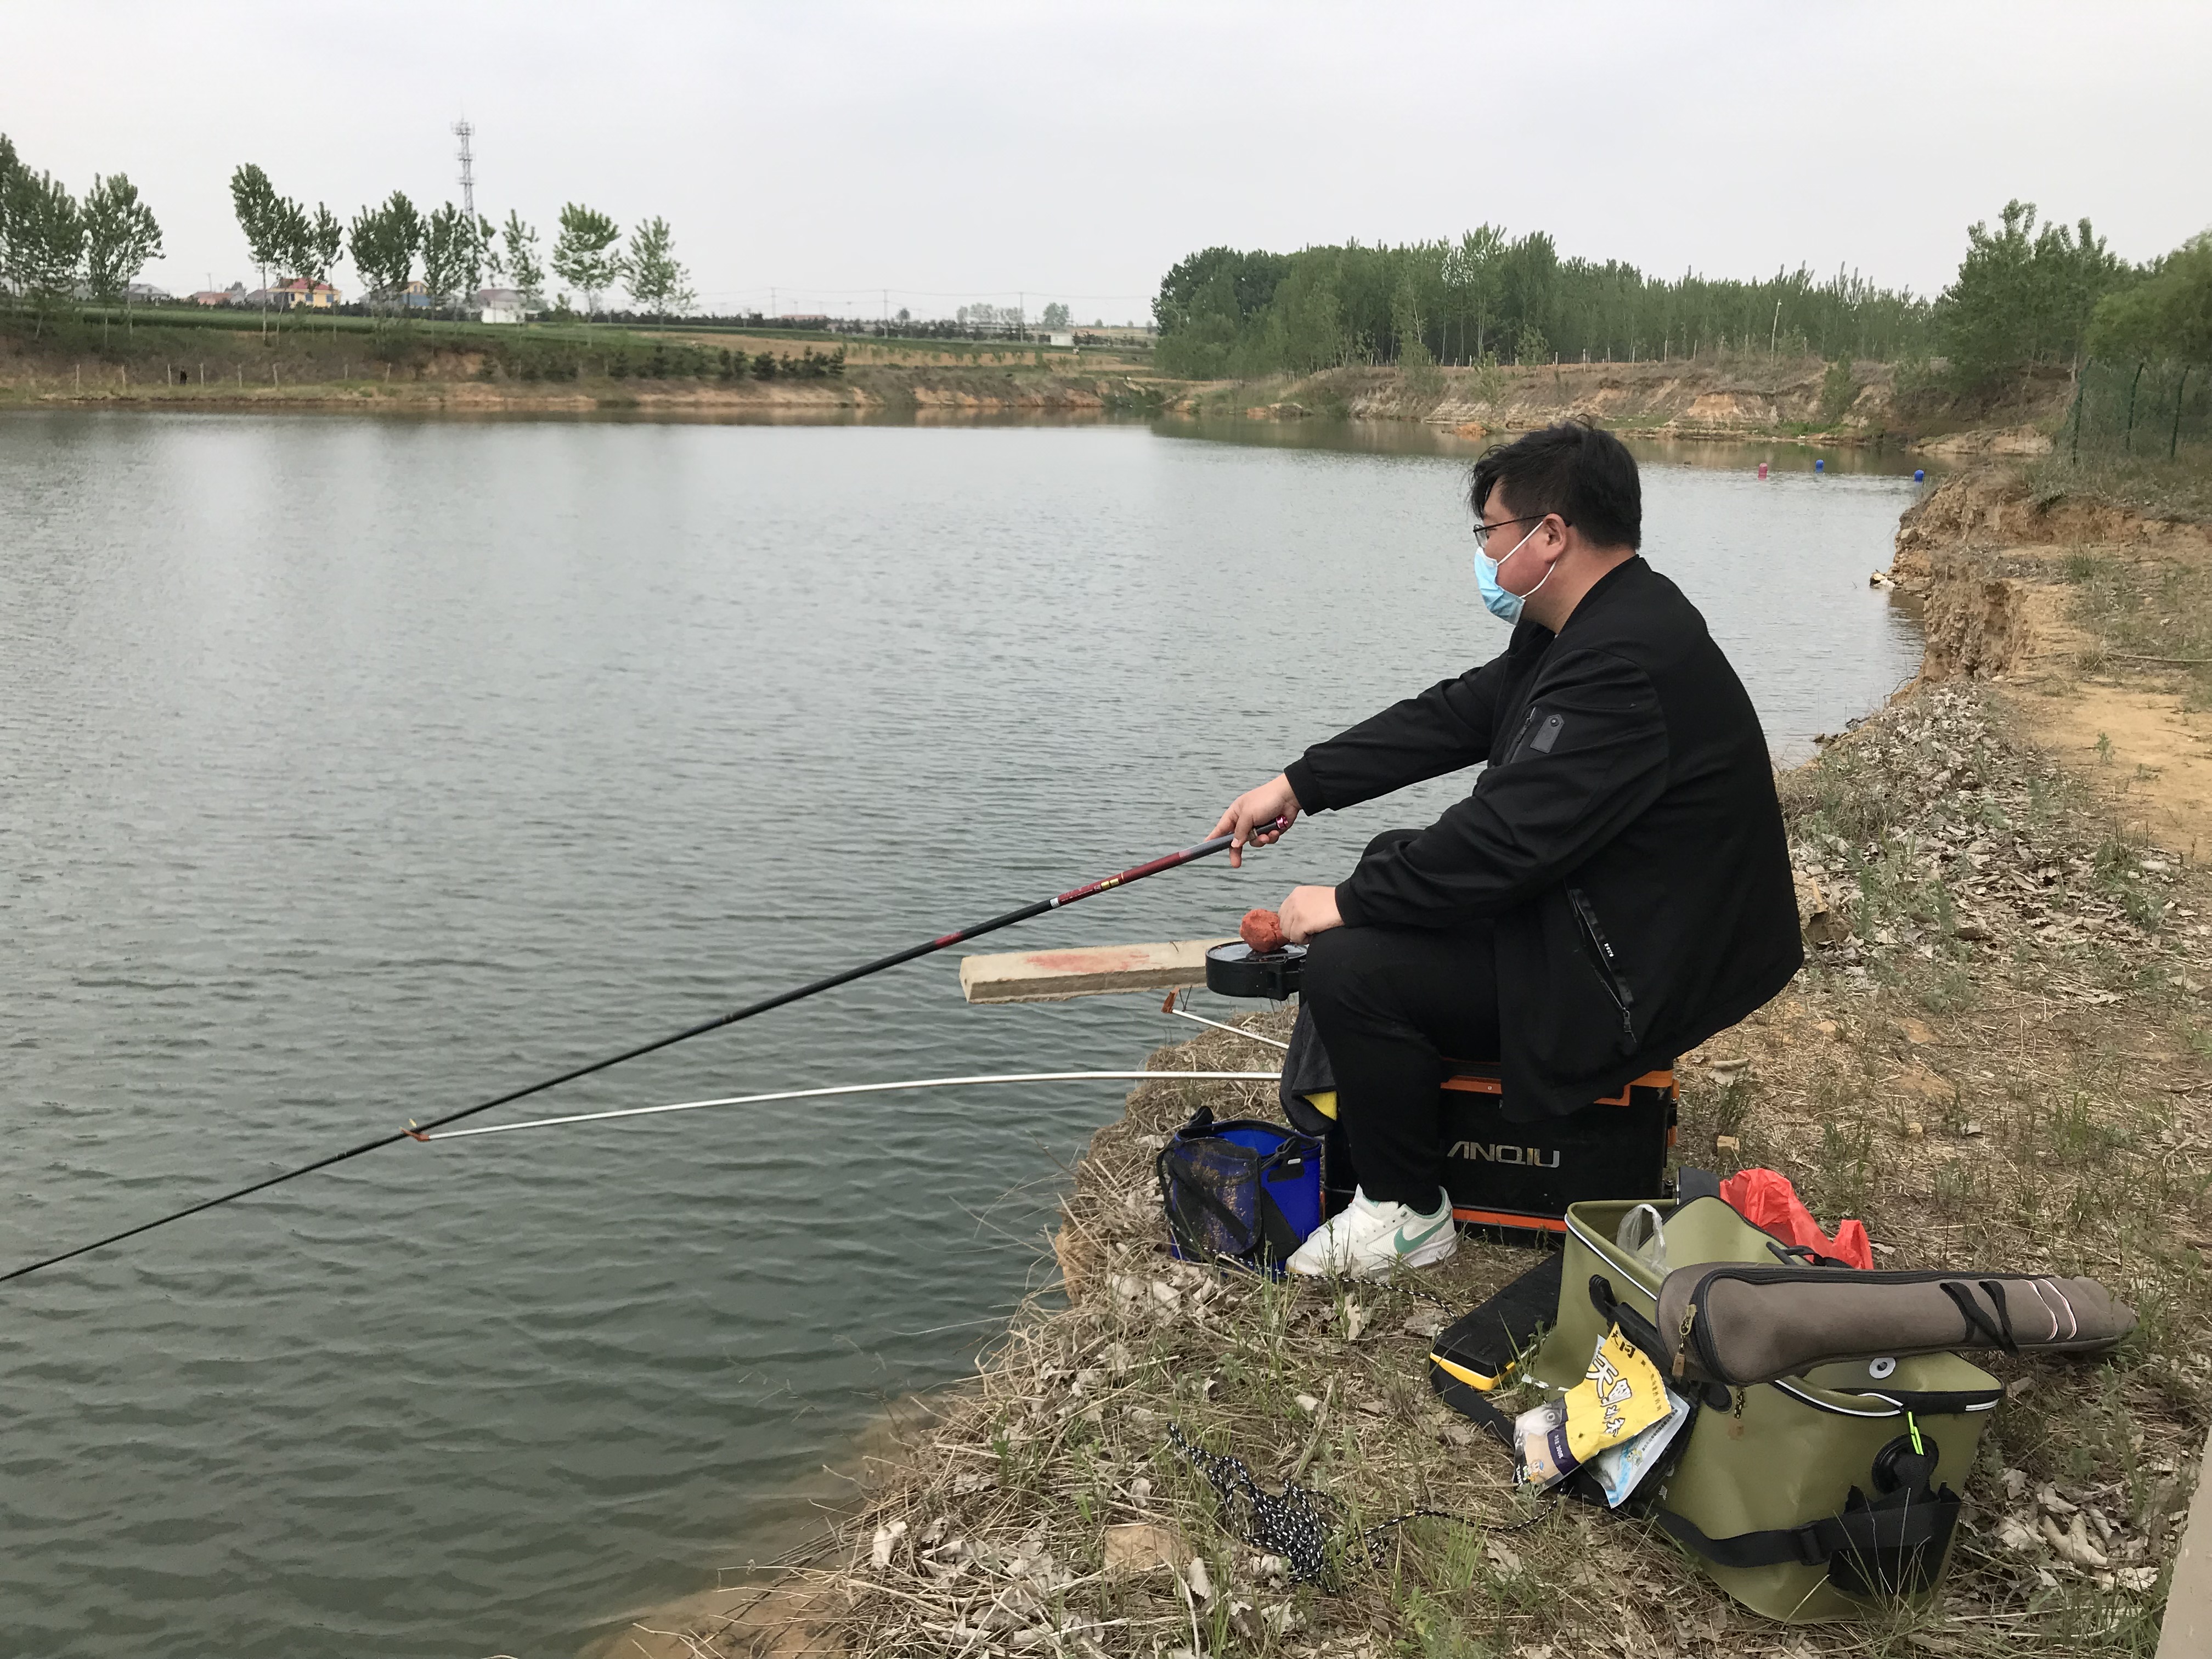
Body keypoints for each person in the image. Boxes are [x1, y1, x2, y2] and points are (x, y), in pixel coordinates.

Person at [1209, 423, 1802, 1279]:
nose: (1484, 553)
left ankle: (1406, 1213)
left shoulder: (1621, 664)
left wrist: (1341, 904)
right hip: (1619, 914)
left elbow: (1502, 842)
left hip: (1638, 970)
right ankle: (1395, 1128)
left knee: (1349, 968)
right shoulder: (1596, 621)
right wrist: (1300, 783)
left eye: (1490, 531)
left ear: (1550, 535)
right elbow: (1457, 713)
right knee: (1389, 867)